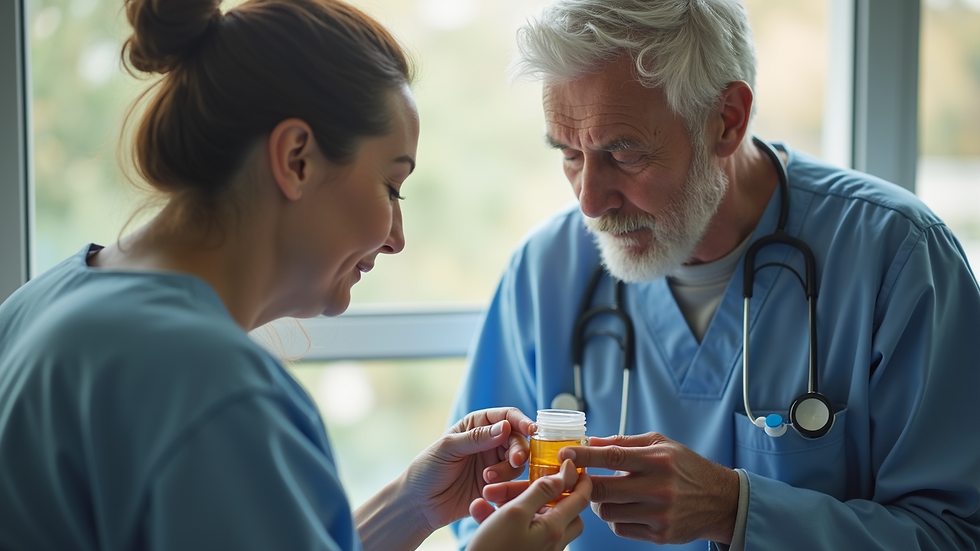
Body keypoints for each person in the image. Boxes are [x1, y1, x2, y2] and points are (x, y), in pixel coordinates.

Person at [0, 0, 593, 549]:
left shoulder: (39, 304)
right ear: (295, 159)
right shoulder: (213, 389)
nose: (397, 238)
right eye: (391, 186)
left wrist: (411, 506)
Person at [450, 0, 980, 550]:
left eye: (623, 153)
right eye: (570, 155)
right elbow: (478, 519)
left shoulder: (896, 256)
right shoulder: (546, 272)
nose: (589, 202)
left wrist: (737, 510)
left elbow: (957, 533)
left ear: (727, 120)